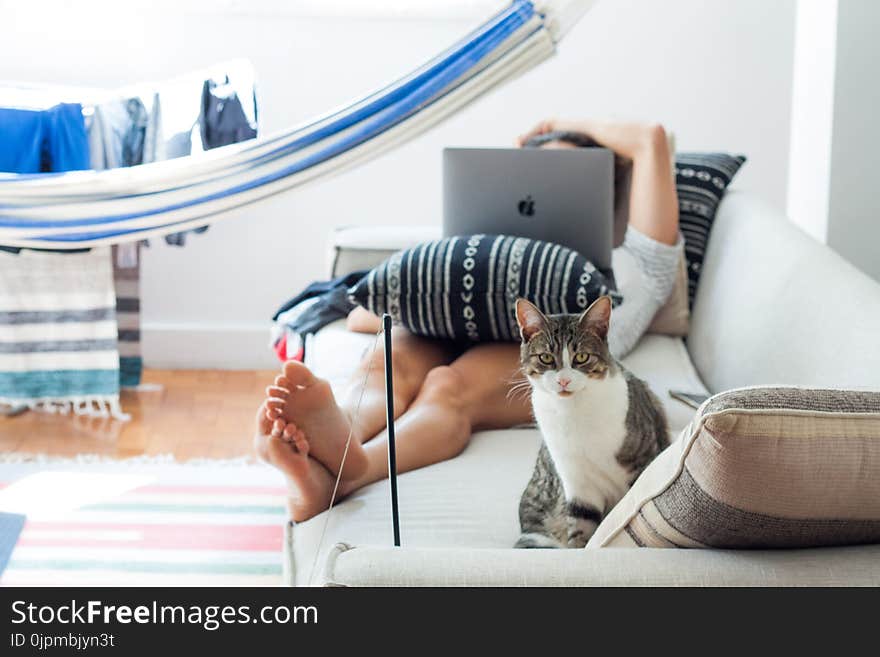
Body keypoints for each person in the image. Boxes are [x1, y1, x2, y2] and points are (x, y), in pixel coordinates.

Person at [253, 119, 683, 521]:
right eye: (533, 177)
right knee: (387, 363)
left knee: (448, 387)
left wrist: (562, 125)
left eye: (562, 175)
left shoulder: (633, 266)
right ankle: (341, 426)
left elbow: (652, 138)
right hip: (461, 322)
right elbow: (362, 317)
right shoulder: (481, 254)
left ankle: (353, 470)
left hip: (551, 347)